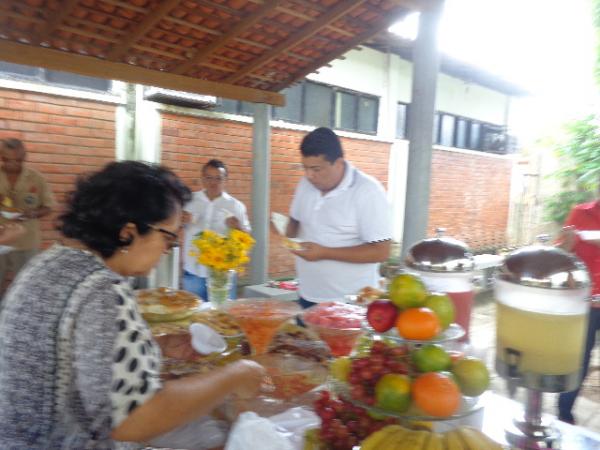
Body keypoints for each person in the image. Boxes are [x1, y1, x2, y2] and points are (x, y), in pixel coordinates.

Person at [0, 161, 266, 449]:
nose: (168, 250)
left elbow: (74, 351)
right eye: (168, 238)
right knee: (224, 432)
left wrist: (153, 346)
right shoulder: (102, 288)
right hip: (57, 441)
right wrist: (236, 374)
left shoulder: (50, 262)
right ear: (128, 232)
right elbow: (132, 419)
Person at [286, 127, 392, 307]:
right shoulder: (306, 184)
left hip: (350, 303)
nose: (309, 175)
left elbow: (381, 251)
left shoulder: (367, 191)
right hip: (307, 295)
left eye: (316, 169)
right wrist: (286, 237)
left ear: (339, 163)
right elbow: (295, 220)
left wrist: (324, 253)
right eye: (305, 168)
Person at [557, 198, 600, 424]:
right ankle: (564, 413)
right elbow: (559, 256)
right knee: (579, 359)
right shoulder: (580, 213)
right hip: (585, 302)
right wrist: (567, 245)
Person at [183, 159, 251, 301]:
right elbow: (173, 225)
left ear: (225, 180)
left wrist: (237, 227)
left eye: (218, 178)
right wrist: (181, 220)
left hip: (222, 275)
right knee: (193, 316)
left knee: (222, 316)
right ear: (202, 178)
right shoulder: (190, 201)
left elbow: (247, 238)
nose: (213, 182)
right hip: (193, 271)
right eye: (208, 178)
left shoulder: (235, 206)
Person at [0, 138, 54, 286]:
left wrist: (33, 214)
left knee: (25, 286)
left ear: (24, 157)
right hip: (1, 240)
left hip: (27, 243)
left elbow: (48, 206)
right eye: (6, 160)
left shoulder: (37, 179)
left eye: (17, 160)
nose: (11, 165)